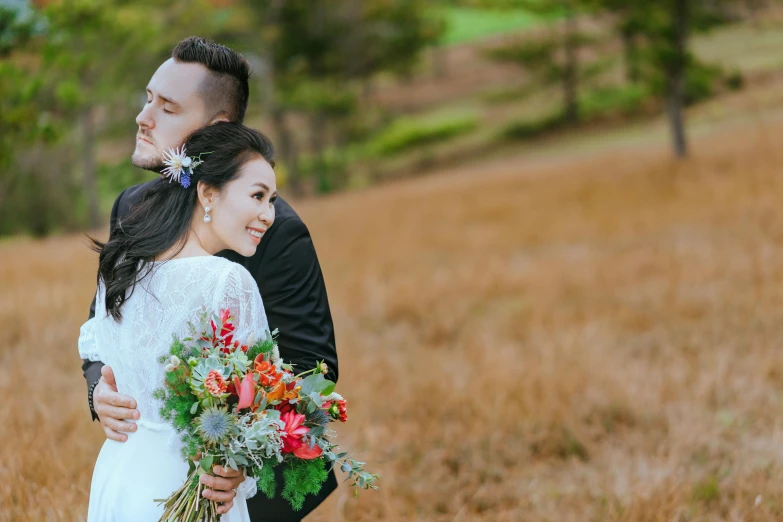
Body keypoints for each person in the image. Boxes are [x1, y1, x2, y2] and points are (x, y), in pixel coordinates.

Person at [81, 37, 339, 520]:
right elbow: (104, 325)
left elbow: (311, 368)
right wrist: (101, 388)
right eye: (148, 98)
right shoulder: (130, 207)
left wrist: (240, 456)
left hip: (243, 490)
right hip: (138, 470)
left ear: (214, 128)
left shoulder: (277, 231)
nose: (144, 116)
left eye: (168, 108)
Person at [80, 122, 276, 520]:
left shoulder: (120, 263)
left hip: (120, 473)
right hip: (187, 481)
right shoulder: (227, 280)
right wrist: (238, 463)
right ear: (206, 192)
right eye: (258, 196)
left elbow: (95, 346)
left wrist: (100, 390)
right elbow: (261, 401)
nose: (268, 214)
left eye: (272, 200)